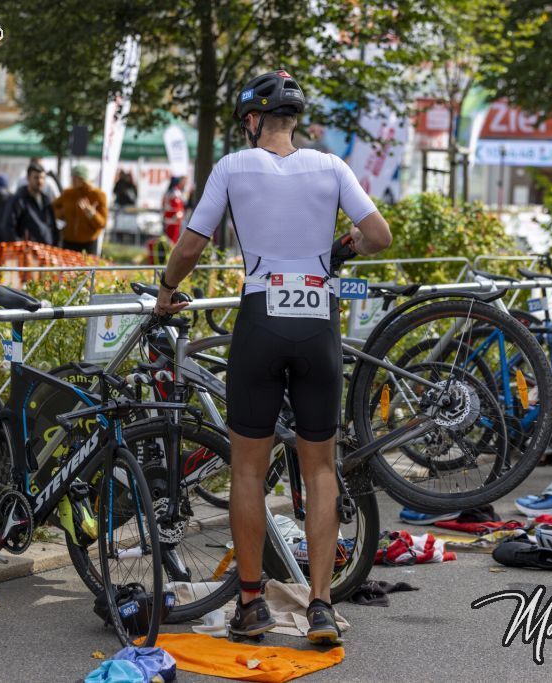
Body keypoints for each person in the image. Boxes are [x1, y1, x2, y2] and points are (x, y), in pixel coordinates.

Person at [152, 70, 391, 645]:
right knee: (322, 469)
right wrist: (343, 248)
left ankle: (252, 604)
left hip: (260, 318)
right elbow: (379, 234)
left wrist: (166, 290)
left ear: (254, 120)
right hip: (317, 323)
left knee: (248, 470)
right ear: (293, 119)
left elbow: (191, 244)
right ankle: (320, 607)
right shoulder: (331, 167)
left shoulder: (234, 167)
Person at [53, 165, 107, 253]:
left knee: (87, 262)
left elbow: (102, 223)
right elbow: (53, 208)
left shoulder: (97, 195)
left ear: (84, 179)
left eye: (76, 177)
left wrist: (92, 214)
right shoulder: (68, 193)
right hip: (68, 242)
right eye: (72, 177)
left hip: (88, 243)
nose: (73, 180)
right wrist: (62, 213)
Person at [5, 164, 58, 246]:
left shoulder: (46, 200)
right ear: (28, 178)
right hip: (27, 250)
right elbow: (9, 227)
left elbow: (52, 226)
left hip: (46, 250)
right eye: (36, 177)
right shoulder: (19, 200)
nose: (40, 181)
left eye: (42, 178)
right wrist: (19, 246)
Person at [161, 176, 186, 243]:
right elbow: (177, 207)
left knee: (171, 239)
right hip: (173, 218)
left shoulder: (169, 192)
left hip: (170, 218)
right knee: (172, 239)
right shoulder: (175, 193)